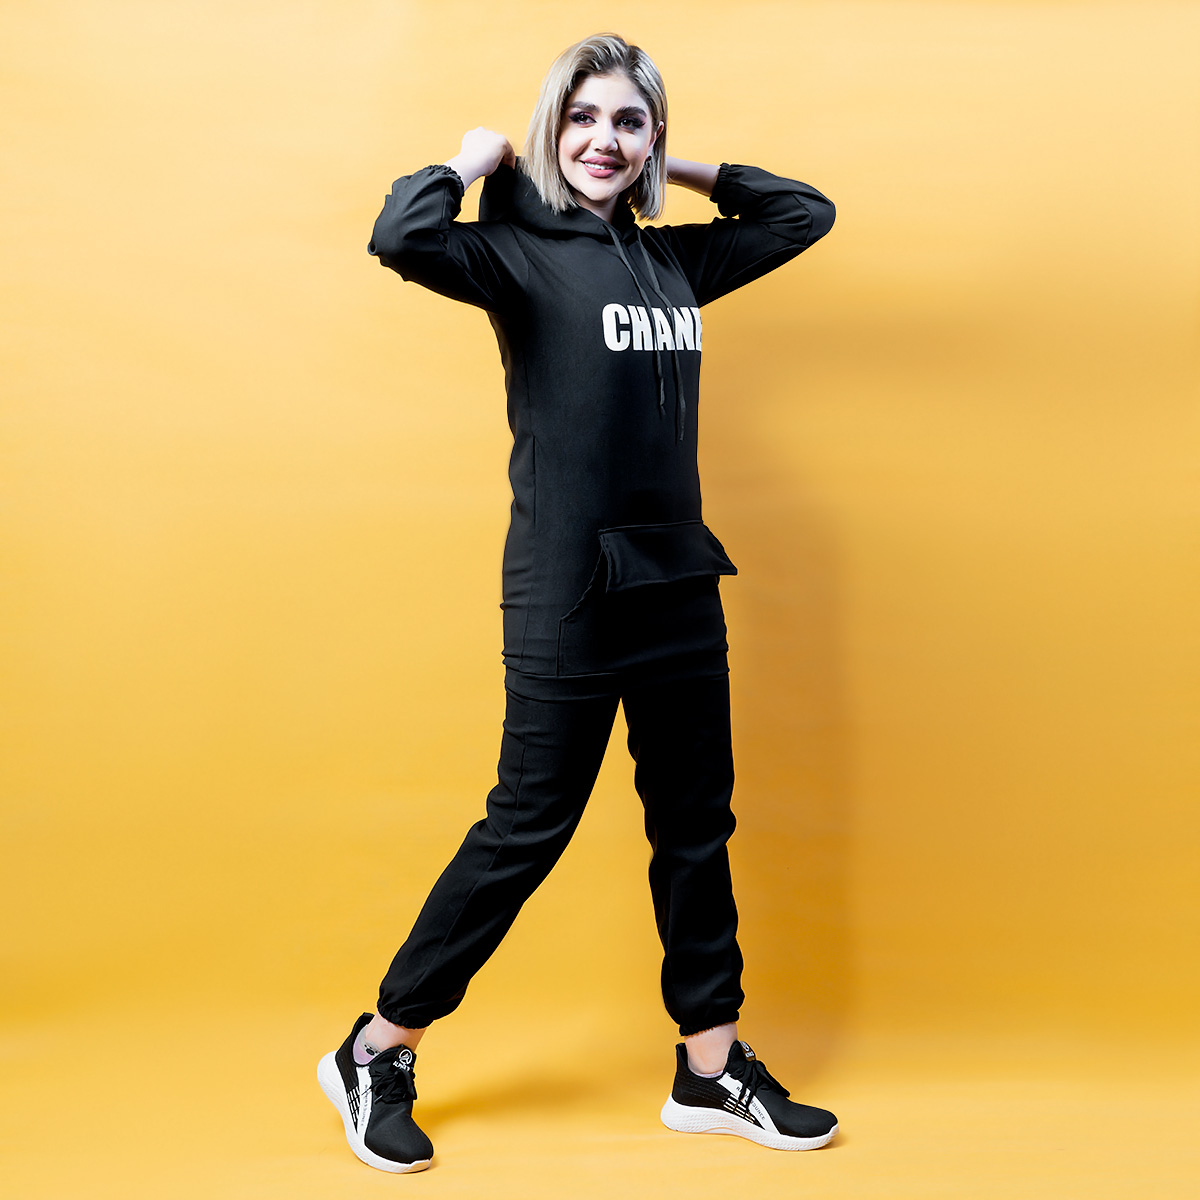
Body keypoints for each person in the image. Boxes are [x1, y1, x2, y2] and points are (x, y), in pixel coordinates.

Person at [317, 32, 838, 1173]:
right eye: (583, 118)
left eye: (628, 122)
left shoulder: (673, 263)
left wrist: (676, 165)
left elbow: (804, 213)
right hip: (570, 588)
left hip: (679, 581)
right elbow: (400, 235)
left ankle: (711, 1069)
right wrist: (469, 161)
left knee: (695, 827)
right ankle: (377, 1047)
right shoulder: (512, 254)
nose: (604, 140)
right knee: (527, 827)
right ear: (550, 130)